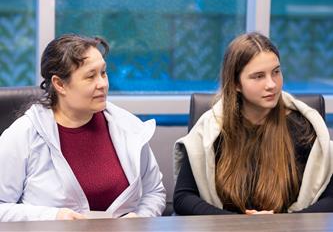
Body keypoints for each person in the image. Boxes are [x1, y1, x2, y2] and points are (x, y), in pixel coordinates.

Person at [0, 34, 166, 222]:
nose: (103, 84)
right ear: (60, 84)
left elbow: (153, 192)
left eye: (103, 73)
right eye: (90, 76)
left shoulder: (127, 126)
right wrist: (53, 216)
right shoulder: (24, 134)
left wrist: (139, 218)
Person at [173, 32, 333, 215]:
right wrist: (239, 223)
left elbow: (330, 198)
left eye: (276, 72)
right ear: (236, 84)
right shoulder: (212, 130)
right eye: (258, 76)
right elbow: (183, 197)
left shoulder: (303, 127)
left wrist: (283, 223)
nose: (271, 84)